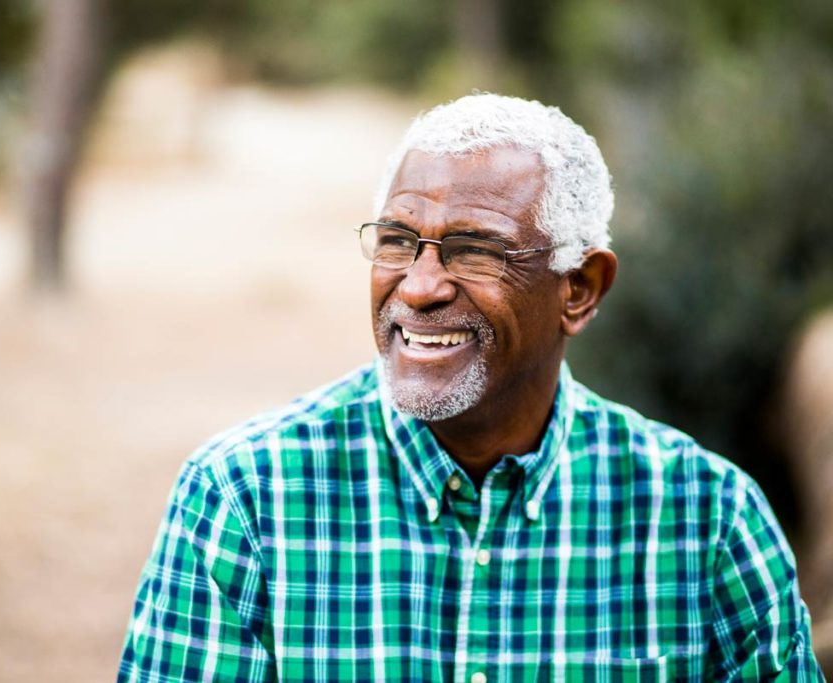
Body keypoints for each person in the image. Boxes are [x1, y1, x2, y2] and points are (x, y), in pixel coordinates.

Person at [117, 93, 823, 682]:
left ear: (579, 289)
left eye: (476, 250)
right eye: (397, 240)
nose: (419, 286)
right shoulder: (244, 498)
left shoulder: (707, 521)